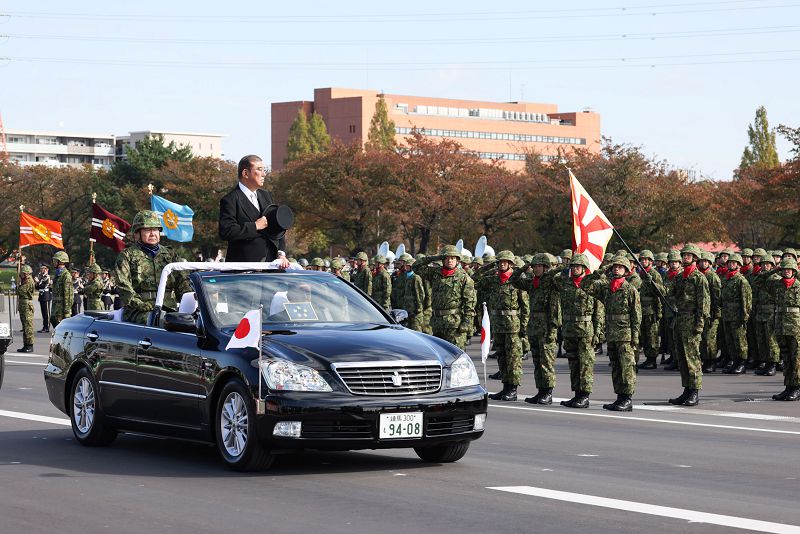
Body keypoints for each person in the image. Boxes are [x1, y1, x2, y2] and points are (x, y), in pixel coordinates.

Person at [581, 255, 642, 412]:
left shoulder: (630, 290)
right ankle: (619, 397)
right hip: (612, 333)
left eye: (620, 267)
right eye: (614, 267)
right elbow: (585, 285)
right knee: (616, 366)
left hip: (625, 334)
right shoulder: (606, 287)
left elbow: (636, 315)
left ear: (626, 271)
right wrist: (600, 270)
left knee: (626, 367)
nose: (617, 269)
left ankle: (627, 398)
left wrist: (635, 336)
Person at [114, 210, 193, 324]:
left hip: (169, 308)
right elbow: (123, 285)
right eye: (147, 230)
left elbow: (183, 283)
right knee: (158, 322)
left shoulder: (170, 255)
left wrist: (191, 303)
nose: (152, 233)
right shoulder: (127, 255)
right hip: (138, 311)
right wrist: (138, 303)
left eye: (155, 229)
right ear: (137, 233)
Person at [219, 154, 285, 262]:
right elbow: (226, 231)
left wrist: (281, 253)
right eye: (259, 170)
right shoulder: (230, 200)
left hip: (270, 266)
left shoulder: (266, 196)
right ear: (245, 173)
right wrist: (255, 226)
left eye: (264, 170)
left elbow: (278, 226)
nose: (264, 174)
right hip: (244, 268)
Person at [479, 250, 526, 402]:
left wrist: (524, 328)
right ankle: (505, 387)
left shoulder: (518, 281)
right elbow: (474, 278)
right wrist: (490, 266)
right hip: (498, 326)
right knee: (502, 358)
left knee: (513, 359)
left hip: (513, 327)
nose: (502, 264)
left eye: (505, 262)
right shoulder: (494, 280)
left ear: (511, 264)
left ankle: (513, 389)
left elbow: (525, 307)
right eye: (500, 262)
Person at [667, 244, 710, 406]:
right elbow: (668, 292)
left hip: (692, 321)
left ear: (695, 258)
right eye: (684, 255)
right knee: (682, 359)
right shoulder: (680, 277)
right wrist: (652, 282)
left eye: (688, 256)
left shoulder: (699, 278)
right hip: (680, 320)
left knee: (692, 358)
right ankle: (686, 389)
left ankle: (694, 391)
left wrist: (699, 325)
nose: (685, 258)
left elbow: (704, 304)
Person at [413, 245, 476, 350]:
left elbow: (470, 303)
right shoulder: (435, 273)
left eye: (452, 258)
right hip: (437, 323)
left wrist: (466, 323)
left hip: (455, 324)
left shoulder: (464, 278)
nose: (449, 261)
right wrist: (434, 257)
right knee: (440, 356)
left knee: (456, 357)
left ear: (457, 260)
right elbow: (416, 267)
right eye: (446, 258)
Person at [50, 250, 74, 328]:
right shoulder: (57, 274)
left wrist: (67, 312)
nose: (53, 262)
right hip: (55, 309)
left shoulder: (66, 275)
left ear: (61, 261)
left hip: (61, 310)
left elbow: (68, 295)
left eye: (55, 260)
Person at [17, 265, 35, 352]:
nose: (21, 275)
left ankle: (30, 345)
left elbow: (20, 291)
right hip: (23, 305)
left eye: (23, 274)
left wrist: (19, 285)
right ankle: (26, 344)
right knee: (24, 326)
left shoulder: (29, 281)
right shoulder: (24, 280)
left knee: (28, 326)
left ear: (27, 274)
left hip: (27, 305)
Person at [35, 264, 52, 332]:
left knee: (46, 313)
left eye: (43, 268)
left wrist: (38, 281)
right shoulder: (41, 276)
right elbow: (37, 288)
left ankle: (47, 327)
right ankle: (44, 326)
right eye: (41, 268)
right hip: (42, 295)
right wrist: (36, 283)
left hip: (46, 295)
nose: (41, 270)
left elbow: (43, 286)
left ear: (46, 269)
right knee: (43, 312)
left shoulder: (47, 277)